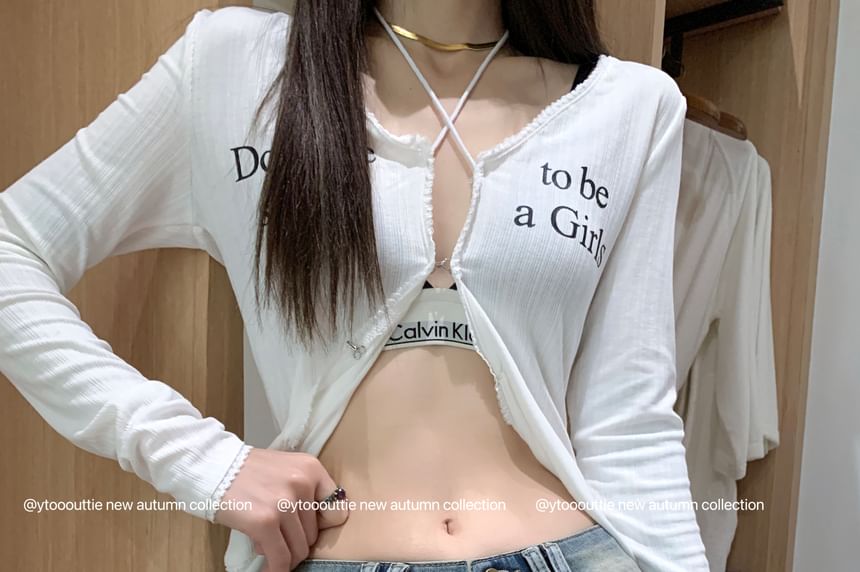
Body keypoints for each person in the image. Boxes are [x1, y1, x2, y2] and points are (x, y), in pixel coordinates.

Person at [0, 2, 709, 572]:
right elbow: (13, 250)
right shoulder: (234, 67)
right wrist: (203, 463)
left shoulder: (631, 106)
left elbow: (629, 421)